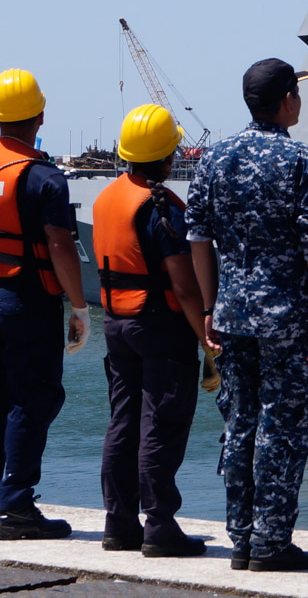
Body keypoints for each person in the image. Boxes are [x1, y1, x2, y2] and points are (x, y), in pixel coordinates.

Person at [188, 59, 308, 573]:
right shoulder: (302, 160)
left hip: (231, 315)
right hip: (287, 319)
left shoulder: (213, 158)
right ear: (287, 101)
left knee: (239, 422)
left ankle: (242, 541)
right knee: (284, 426)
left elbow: (198, 239)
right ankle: (272, 543)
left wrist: (209, 307)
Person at [0, 69, 89, 541]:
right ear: (40, 114)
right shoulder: (44, 176)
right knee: (31, 401)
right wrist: (80, 307)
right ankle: (16, 511)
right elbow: (59, 244)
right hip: (28, 301)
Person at [95, 104, 210, 558]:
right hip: (160, 326)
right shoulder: (160, 207)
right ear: (165, 156)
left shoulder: (107, 199)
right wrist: (206, 332)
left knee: (123, 422)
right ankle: (160, 526)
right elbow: (182, 285)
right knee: (162, 422)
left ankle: (118, 524)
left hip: (116, 325)